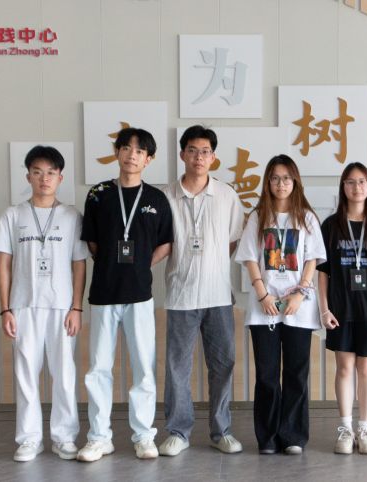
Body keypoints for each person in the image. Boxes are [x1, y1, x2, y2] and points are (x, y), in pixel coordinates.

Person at [77, 127, 173, 462]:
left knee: (143, 368)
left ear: (149, 159)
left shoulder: (156, 199)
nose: (132, 155)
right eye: (126, 148)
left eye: (140, 151)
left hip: (140, 295)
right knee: (98, 370)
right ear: (117, 152)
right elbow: (92, 242)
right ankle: (99, 438)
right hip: (103, 293)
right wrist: (110, 263)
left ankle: (144, 436)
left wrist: (142, 265)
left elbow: (165, 243)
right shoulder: (99, 194)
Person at [0, 145, 88, 462]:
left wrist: (76, 307)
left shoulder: (72, 216)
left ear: (60, 177)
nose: (44, 178)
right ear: (28, 176)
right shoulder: (12, 215)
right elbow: (4, 266)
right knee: (26, 375)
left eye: (50, 173)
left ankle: (64, 437)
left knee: (64, 374)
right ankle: (29, 439)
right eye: (37, 172)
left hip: (62, 308)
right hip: (24, 306)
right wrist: (6, 309)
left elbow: (79, 264)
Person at [159, 125, 245, 456]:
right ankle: (178, 432)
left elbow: (233, 239)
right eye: (193, 150)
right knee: (177, 368)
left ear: (213, 157)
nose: (199, 157)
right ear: (182, 154)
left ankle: (221, 431)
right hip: (180, 295)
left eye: (205, 151)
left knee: (223, 365)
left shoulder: (226, 195)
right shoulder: (166, 196)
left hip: (218, 296)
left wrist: (211, 264)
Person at [234, 154, 325, 455]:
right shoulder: (258, 216)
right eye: (275, 178)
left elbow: (312, 259)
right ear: (268, 182)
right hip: (265, 307)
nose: (281, 183)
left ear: (295, 181)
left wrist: (300, 293)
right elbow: (249, 258)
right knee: (267, 375)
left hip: (298, 307)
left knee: (297, 374)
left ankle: (293, 436)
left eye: (286, 178)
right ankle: (268, 437)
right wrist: (262, 294)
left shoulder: (307, 217)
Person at [318, 162, 367, 455]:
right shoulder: (331, 225)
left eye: (362, 181)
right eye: (351, 182)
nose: (357, 187)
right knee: (344, 368)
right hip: (341, 308)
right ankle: (345, 428)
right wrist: (324, 309)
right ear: (343, 187)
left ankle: (365, 428)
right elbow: (323, 272)